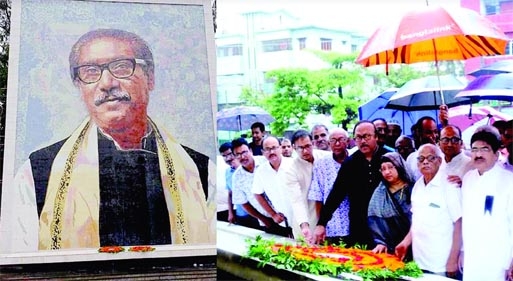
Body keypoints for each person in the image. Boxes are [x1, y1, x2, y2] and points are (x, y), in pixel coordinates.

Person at [1, 29, 215, 252]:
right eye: (90, 71)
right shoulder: (37, 174)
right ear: (79, 85)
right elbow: (18, 262)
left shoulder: (200, 173)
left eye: (121, 66)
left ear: (150, 77)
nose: (107, 83)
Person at [314, 121, 389, 248]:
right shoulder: (350, 163)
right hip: (360, 225)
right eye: (359, 137)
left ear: (376, 137)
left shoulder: (388, 158)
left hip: (387, 224)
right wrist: (322, 223)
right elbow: (336, 194)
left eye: (367, 136)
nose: (363, 141)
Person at [395, 144, 462, 279]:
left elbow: (459, 223)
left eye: (431, 158)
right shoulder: (418, 186)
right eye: (421, 159)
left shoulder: (449, 185)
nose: (425, 162)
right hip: (419, 261)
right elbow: (417, 220)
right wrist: (405, 242)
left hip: (442, 263)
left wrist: (453, 258)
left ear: (440, 161)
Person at [461, 125, 513, 281]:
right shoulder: (468, 178)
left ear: (496, 155)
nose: (478, 154)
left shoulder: (508, 181)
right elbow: (466, 220)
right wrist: (462, 251)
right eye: (474, 149)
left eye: (484, 149)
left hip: (498, 258)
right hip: (472, 255)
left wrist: (511, 260)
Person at [284, 129, 330, 240]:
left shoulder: (325, 157)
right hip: (307, 220)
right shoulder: (291, 170)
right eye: (300, 148)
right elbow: (297, 200)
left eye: (308, 146)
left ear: (313, 144)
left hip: (329, 217)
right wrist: (304, 225)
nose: (305, 151)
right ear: (294, 148)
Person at [308, 128, 350, 245]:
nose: (337, 144)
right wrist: (321, 224)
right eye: (333, 140)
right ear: (328, 143)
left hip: (355, 223)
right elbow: (318, 196)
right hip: (332, 225)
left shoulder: (355, 159)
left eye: (341, 140)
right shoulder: (321, 164)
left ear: (348, 141)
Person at [368, 152, 414, 258]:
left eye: (390, 167)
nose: (387, 172)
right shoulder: (380, 191)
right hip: (387, 247)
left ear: (399, 166)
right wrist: (380, 242)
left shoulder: (413, 189)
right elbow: (374, 219)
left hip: (413, 244)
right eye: (383, 169)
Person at [252, 136, 294, 238]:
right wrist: (273, 214)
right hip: (283, 222)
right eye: (267, 149)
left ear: (280, 148)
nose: (271, 152)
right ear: (262, 152)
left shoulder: (293, 164)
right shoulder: (261, 171)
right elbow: (257, 193)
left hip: (301, 219)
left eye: (274, 148)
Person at [231, 138, 271, 231]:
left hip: (284, 214)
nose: (242, 157)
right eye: (238, 154)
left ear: (251, 151)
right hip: (266, 219)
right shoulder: (237, 176)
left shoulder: (265, 162)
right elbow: (243, 203)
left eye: (244, 152)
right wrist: (263, 219)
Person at [218, 142, 254, 226]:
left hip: (255, 213)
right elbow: (230, 194)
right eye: (224, 156)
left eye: (230, 154)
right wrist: (230, 213)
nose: (228, 158)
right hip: (240, 213)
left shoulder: (247, 168)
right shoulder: (228, 172)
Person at [406, 116, 440, 181]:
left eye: (435, 132)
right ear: (419, 133)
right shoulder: (411, 158)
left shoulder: (442, 154)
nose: (434, 136)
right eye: (429, 132)